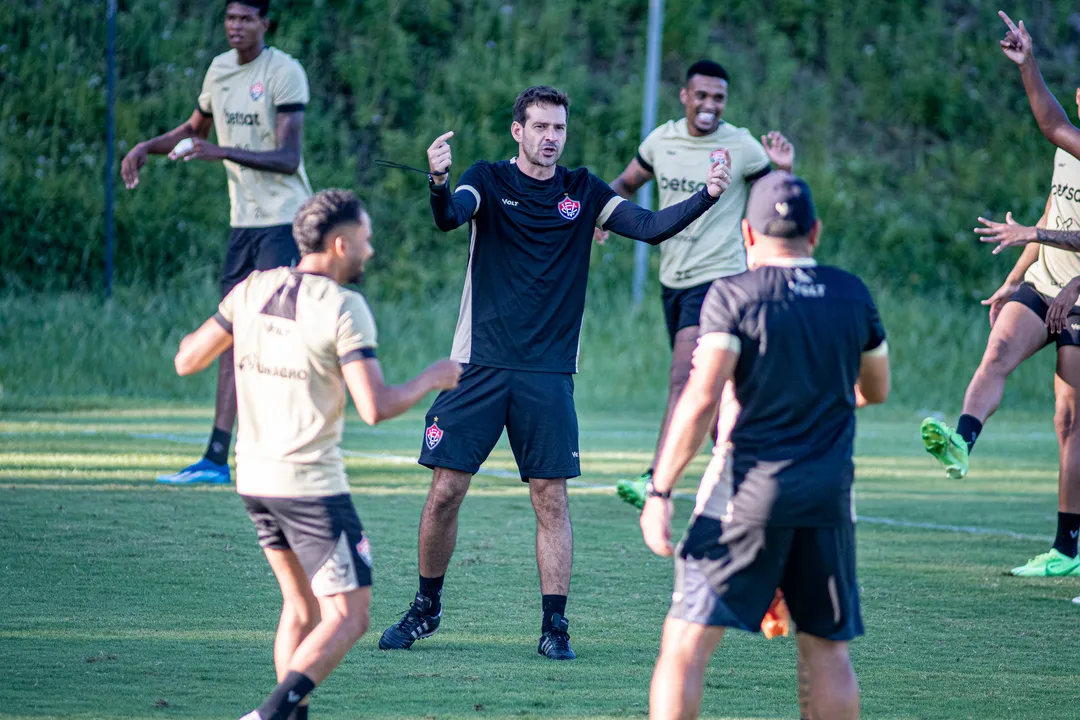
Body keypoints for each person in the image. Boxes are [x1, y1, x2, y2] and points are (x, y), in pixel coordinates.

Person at [377, 85, 733, 660]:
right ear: (517, 130)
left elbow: (649, 225)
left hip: (547, 373)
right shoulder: (486, 179)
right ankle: (426, 607)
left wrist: (709, 195)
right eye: (539, 127)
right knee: (445, 490)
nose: (550, 138)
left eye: (558, 129)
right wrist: (438, 182)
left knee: (551, 498)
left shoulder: (584, 191)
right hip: (478, 366)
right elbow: (450, 218)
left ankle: (554, 626)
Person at [172, 189, 461, 720]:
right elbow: (375, 407)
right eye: (366, 241)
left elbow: (187, 359)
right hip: (309, 485)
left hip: (254, 479)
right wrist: (433, 377)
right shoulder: (344, 307)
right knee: (350, 615)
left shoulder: (252, 288)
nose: (370, 251)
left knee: (302, 607)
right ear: (339, 243)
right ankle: (269, 713)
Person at [639, 171, 890, 720]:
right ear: (815, 232)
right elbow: (876, 389)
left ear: (748, 237)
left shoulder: (733, 293)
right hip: (828, 499)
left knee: (684, 647)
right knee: (828, 654)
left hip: (745, 495)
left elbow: (702, 396)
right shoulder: (852, 293)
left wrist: (660, 490)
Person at [122, 0, 313, 485]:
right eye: (230, 18)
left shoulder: (284, 72)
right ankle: (213, 458)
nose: (236, 26)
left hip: (283, 223)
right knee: (231, 333)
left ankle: (286, 452)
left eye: (246, 18)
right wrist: (147, 147)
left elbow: (289, 158)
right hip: (243, 226)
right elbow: (193, 130)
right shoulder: (219, 70)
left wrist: (221, 151)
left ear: (264, 24)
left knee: (276, 339)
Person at [922, 10, 1080, 578]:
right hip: (1044, 282)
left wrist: (1035, 237)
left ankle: (1067, 547)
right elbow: (1050, 197)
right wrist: (1014, 279)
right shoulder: (1072, 148)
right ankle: (962, 441)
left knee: (1069, 420)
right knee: (997, 351)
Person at [600, 59, 795, 509]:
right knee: (714, 389)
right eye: (701, 96)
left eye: (718, 98)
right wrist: (600, 215)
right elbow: (626, 183)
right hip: (674, 279)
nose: (710, 105)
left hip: (721, 279)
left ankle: (656, 478)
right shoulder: (661, 141)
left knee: (683, 377)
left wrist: (784, 170)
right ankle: (756, 467)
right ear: (685, 96)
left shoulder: (742, 147)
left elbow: (779, 203)